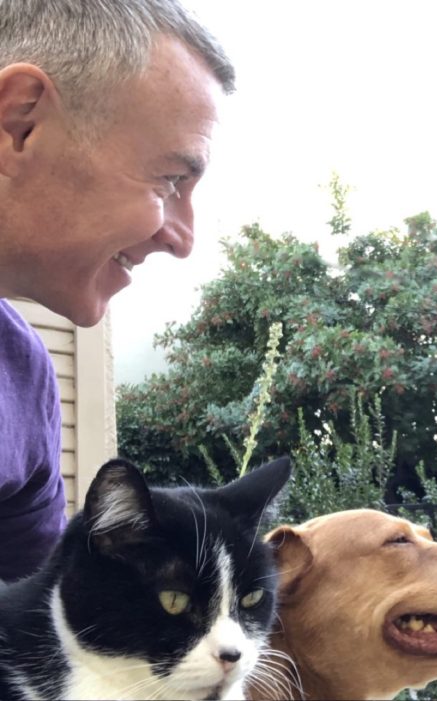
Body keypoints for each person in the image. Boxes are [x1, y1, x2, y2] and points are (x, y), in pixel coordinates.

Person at [0, 0, 234, 581]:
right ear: (18, 124)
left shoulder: (22, 374)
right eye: (171, 180)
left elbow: (40, 627)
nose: (183, 239)